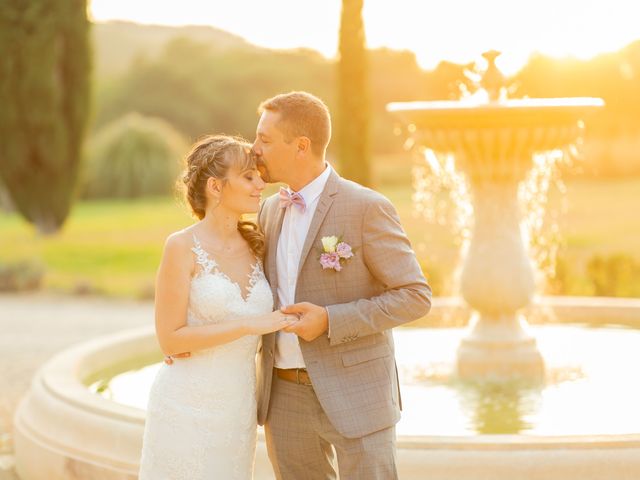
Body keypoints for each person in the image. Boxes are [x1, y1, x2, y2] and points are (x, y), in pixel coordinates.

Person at [253, 91, 432, 480]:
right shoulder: (268, 209)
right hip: (283, 397)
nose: (254, 150)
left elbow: (415, 296)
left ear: (301, 146)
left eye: (264, 140)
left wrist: (331, 321)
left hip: (358, 393)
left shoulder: (367, 207)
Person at [138, 135, 296, 480]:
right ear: (215, 186)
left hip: (238, 406)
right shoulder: (181, 246)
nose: (260, 184)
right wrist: (251, 325)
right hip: (184, 404)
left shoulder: (259, 243)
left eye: (259, 176)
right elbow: (170, 340)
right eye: (249, 176)